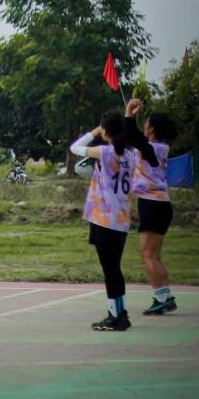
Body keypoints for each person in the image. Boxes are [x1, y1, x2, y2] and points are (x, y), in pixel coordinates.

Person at [70, 111, 136, 331]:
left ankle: (115, 316)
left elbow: (75, 148)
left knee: (110, 270)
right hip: (121, 218)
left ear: (105, 130)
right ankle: (120, 313)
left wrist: (94, 132)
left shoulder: (104, 152)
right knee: (114, 268)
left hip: (104, 219)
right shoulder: (130, 154)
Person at [124, 99, 179, 315]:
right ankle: (165, 297)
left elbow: (131, 135)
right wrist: (133, 117)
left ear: (152, 129)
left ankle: (161, 298)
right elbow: (134, 136)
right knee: (154, 255)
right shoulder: (160, 147)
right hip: (161, 204)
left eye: (146, 124)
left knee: (147, 255)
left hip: (153, 205)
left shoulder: (151, 148)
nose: (144, 127)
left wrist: (129, 112)